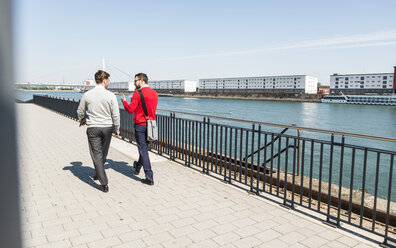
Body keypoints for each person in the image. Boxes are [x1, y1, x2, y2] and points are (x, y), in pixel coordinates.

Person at [77, 70, 120, 192]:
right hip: (107, 128)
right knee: (103, 153)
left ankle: (102, 181)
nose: (109, 83)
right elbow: (116, 115)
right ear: (105, 80)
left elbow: (80, 111)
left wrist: (82, 120)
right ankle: (102, 179)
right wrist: (116, 128)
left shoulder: (87, 95)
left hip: (93, 128)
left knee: (97, 154)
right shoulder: (111, 95)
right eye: (109, 81)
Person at [121, 73, 158, 185]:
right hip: (151, 125)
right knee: (144, 149)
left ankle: (149, 177)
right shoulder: (155, 93)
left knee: (143, 150)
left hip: (140, 125)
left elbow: (130, 109)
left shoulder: (137, 93)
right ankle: (137, 167)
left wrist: (124, 101)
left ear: (142, 81)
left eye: (135, 81)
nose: (134, 83)